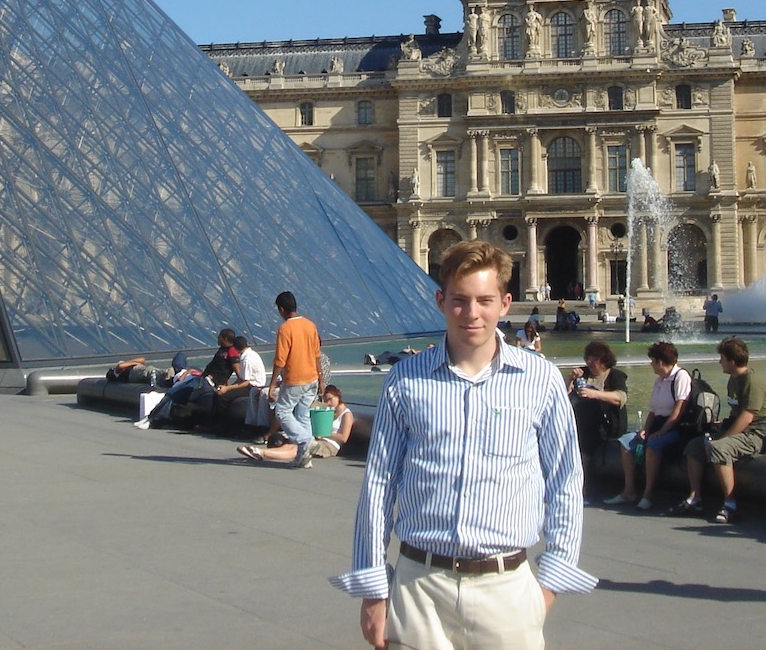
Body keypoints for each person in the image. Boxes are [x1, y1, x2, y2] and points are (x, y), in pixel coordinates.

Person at [330, 240, 594, 649]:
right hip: (420, 586)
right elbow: (378, 485)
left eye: (484, 300)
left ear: (505, 303)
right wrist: (373, 588)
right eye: (460, 300)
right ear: (440, 300)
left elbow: (565, 481)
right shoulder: (405, 380)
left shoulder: (540, 380)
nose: (472, 313)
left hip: (508, 590)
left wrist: (551, 582)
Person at [669, 338, 766, 524]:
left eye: (722, 358)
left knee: (719, 448)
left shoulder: (752, 382)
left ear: (732, 361)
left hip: (760, 433)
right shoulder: (733, 380)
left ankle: (730, 505)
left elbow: (747, 417)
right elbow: (736, 414)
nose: (719, 361)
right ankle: (695, 498)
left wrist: (723, 439)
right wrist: (723, 425)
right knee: (695, 446)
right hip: (743, 430)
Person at [603, 341, 691, 511]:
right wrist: (645, 429)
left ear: (660, 362)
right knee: (625, 442)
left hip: (676, 427)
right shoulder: (659, 380)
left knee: (653, 445)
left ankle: (648, 494)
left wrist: (662, 431)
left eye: (652, 361)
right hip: (657, 425)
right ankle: (629, 490)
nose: (650, 364)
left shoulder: (681, 377)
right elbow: (652, 411)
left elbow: (680, 409)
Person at [264, 291, 321, 469]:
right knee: (303, 415)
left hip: (295, 378)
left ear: (281, 309)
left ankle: (305, 441)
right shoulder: (310, 325)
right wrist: (322, 380)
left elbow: (280, 359)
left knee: (282, 412)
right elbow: (317, 354)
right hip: (312, 377)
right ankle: (304, 459)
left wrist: (273, 384)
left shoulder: (285, 328)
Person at [240, 384, 354, 462]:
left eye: (331, 399)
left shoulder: (346, 414)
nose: (328, 403)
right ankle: (262, 452)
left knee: (299, 449)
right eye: (326, 400)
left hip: (330, 445)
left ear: (338, 396)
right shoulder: (327, 410)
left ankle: (262, 454)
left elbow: (343, 438)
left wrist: (324, 433)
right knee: (293, 445)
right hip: (317, 439)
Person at [568, 340, 627, 480]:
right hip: (582, 422)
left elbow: (621, 398)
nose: (589, 362)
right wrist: (570, 379)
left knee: (586, 440)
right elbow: (564, 396)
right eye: (587, 358)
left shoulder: (616, 376)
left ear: (602, 361)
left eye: (592, 359)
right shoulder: (583, 373)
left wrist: (595, 394)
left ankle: (581, 483)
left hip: (605, 425)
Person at [215, 332, 271, 428]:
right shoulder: (253, 354)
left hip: (252, 387)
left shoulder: (246, 360)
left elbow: (245, 382)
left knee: (222, 397)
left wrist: (227, 389)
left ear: (235, 348)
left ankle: (221, 426)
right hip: (253, 384)